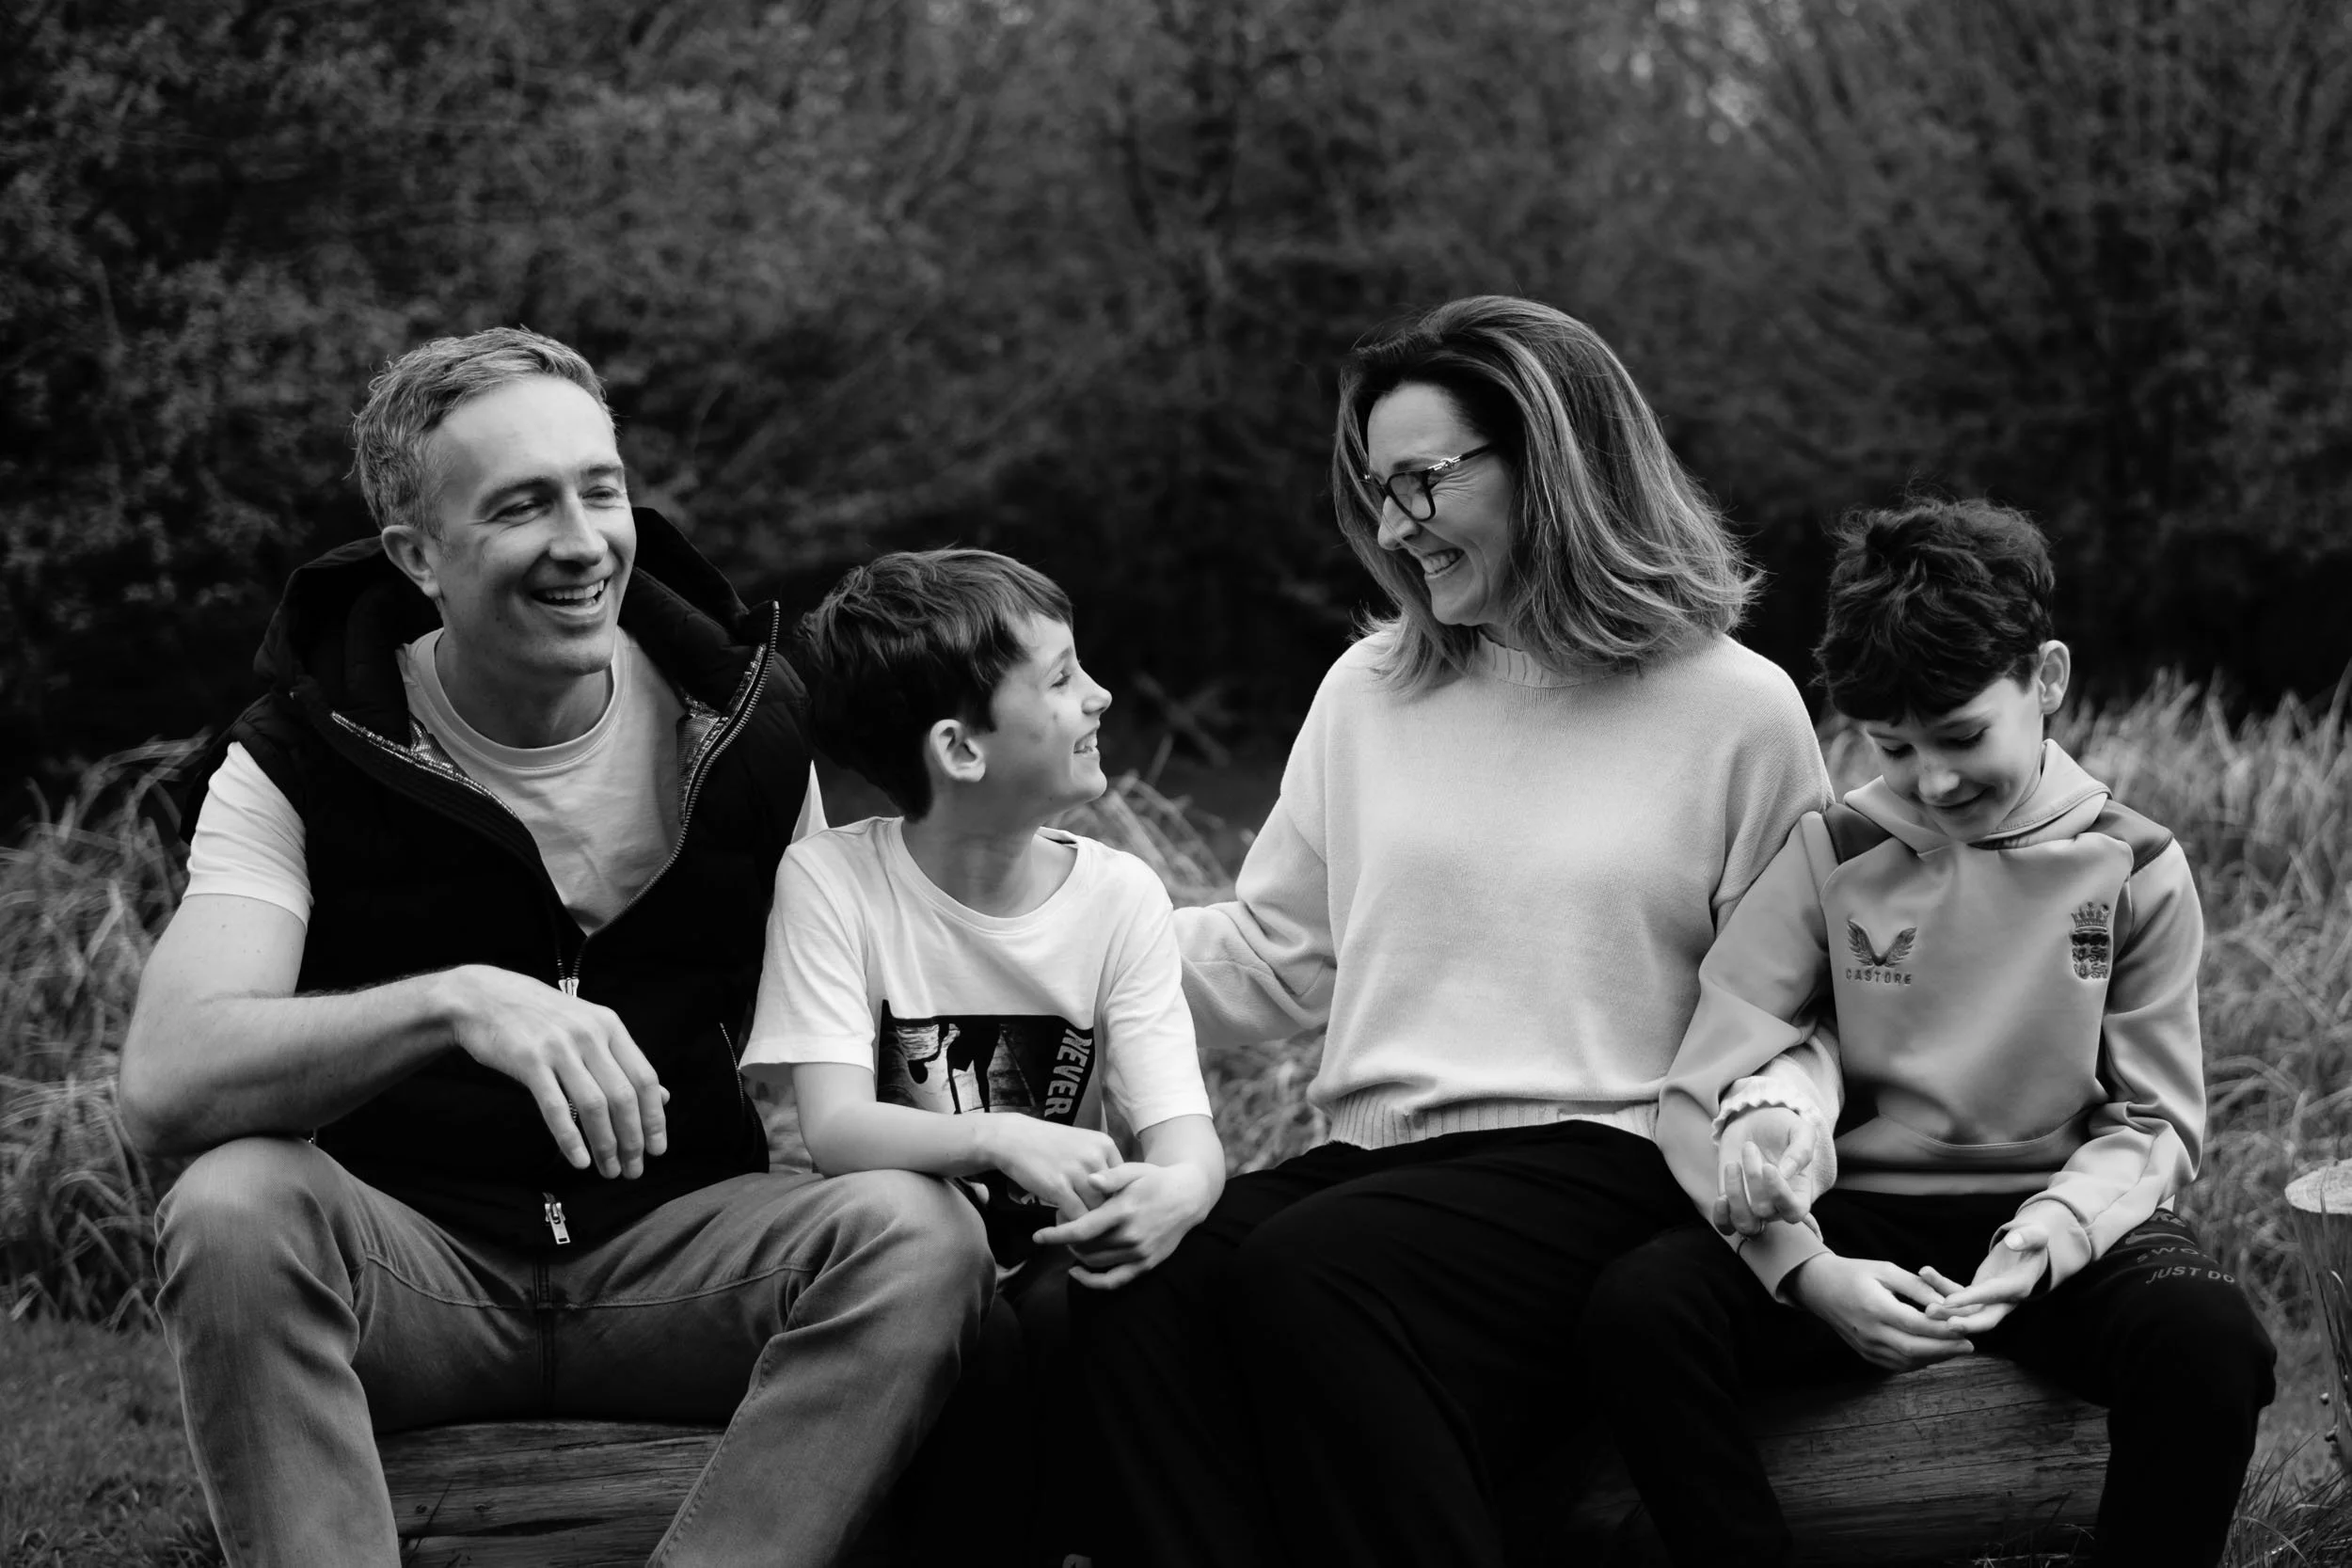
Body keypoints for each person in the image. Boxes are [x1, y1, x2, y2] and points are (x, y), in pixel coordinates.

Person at [116, 327, 995, 1568]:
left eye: (602, 487)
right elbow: (165, 1078)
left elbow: (845, 1046)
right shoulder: (300, 752)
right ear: (418, 554)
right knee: (236, 1203)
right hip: (414, 1278)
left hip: (681, 1262)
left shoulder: (750, 725)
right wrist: (455, 1002)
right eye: (524, 504)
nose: (584, 541)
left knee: (922, 1231)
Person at [1072, 294, 1834, 1568]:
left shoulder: (1739, 710)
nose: (1389, 527)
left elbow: (1795, 1008)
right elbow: (1274, 954)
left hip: (1616, 1152)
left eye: (1421, 483)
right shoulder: (1371, 690)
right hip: (1378, 1165)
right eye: (1377, 491)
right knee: (1113, 1287)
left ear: (1552, 458)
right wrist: (1047, 941)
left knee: (1318, 1271)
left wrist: (1781, 1126)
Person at [1582, 498, 2277, 1567]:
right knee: (1639, 1308)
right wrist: (1803, 1266)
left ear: (2044, 679)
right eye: (1893, 746)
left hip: (2055, 1225)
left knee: (2210, 1337)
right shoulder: (1831, 850)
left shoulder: (2136, 863)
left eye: (1960, 734)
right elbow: (1703, 1083)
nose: (1934, 780)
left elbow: (2153, 1122)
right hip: (1858, 1218)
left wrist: (2040, 1243)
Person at [743, 548, 1225, 1566]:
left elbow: (1184, 1131)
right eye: (1058, 679)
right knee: (978, 1342)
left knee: (1124, 1304)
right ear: (960, 748)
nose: (1096, 694)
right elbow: (833, 1129)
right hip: (892, 1263)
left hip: (1055, 1261)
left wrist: (1178, 1191)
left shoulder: (1120, 895)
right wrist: (1004, 1133)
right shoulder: (835, 881)